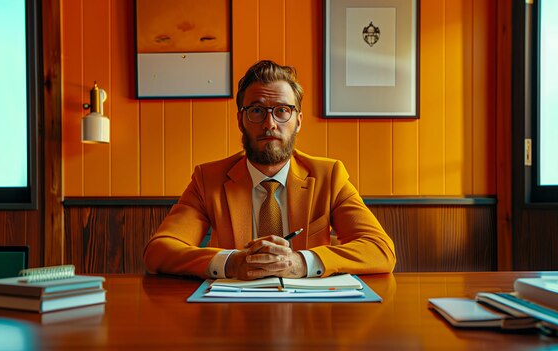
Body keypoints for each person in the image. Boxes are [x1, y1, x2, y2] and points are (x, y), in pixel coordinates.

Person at [143, 60, 396, 280]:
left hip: (311, 315)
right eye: (256, 111)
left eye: (282, 111)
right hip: (231, 312)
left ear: (298, 121)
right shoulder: (208, 179)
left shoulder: (329, 177)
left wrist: (300, 263)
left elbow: (380, 250)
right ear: (240, 120)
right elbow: (159, 251)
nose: (270, 124)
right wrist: (232, 263)